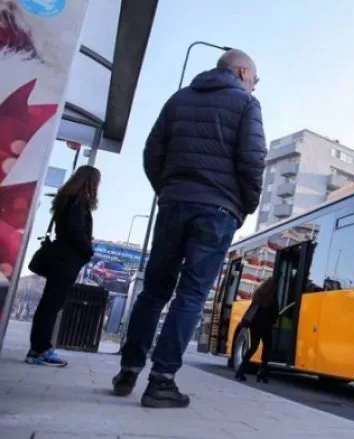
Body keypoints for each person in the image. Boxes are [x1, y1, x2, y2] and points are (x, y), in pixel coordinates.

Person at [112, 48, 267, 408]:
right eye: (255, 80)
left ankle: (128, 371)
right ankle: (162, 381)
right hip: (217, 210)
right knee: (191, 294)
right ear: (243, 72)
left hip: (173, 205)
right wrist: (244, 205)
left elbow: (152, 152)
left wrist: (169, 190)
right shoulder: (247, 104)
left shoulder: (179, 99)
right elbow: (253, 160)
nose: (254, 87)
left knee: (154, 291)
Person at [25, 165, 100, 367]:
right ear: (90, 182)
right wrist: (88, 250)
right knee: (52, 304)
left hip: (59, 255)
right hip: (67, 259)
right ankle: (40, 349)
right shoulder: (78, 202)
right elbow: (76, 231)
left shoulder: (65, 199)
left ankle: (39, 347)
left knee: (49, 303)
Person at [234, 278, 279, 383]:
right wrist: (273, 320)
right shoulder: (272, 296)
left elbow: (253, 308)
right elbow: (275, 311)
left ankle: (240, 372)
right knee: (267, 348)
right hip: (266, 326)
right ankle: (262, 373)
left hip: (254, 325)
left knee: (253, 347)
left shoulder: (258, 293)